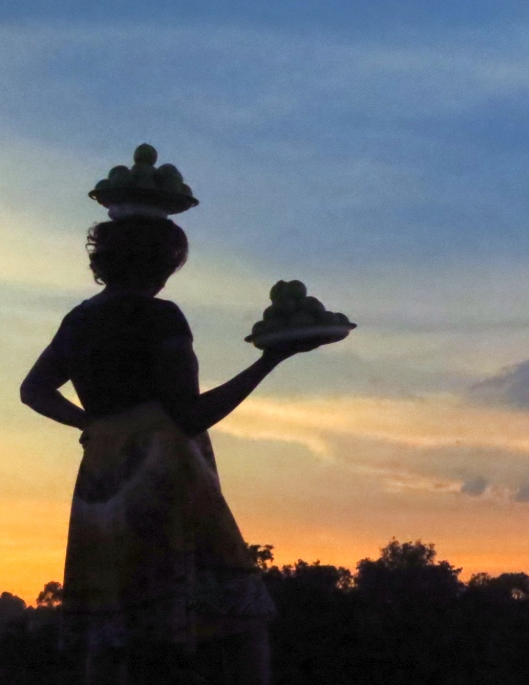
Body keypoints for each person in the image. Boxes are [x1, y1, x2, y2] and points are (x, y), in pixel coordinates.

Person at [21, 216, 322, 685]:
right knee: (240, 624)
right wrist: (271, 359)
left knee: (115, 624)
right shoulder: (162, 317)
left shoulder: (79, 319)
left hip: (102, 480)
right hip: (165, 477)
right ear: (162, 264)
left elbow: (34, 390)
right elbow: (190, 415)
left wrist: (92, 423)